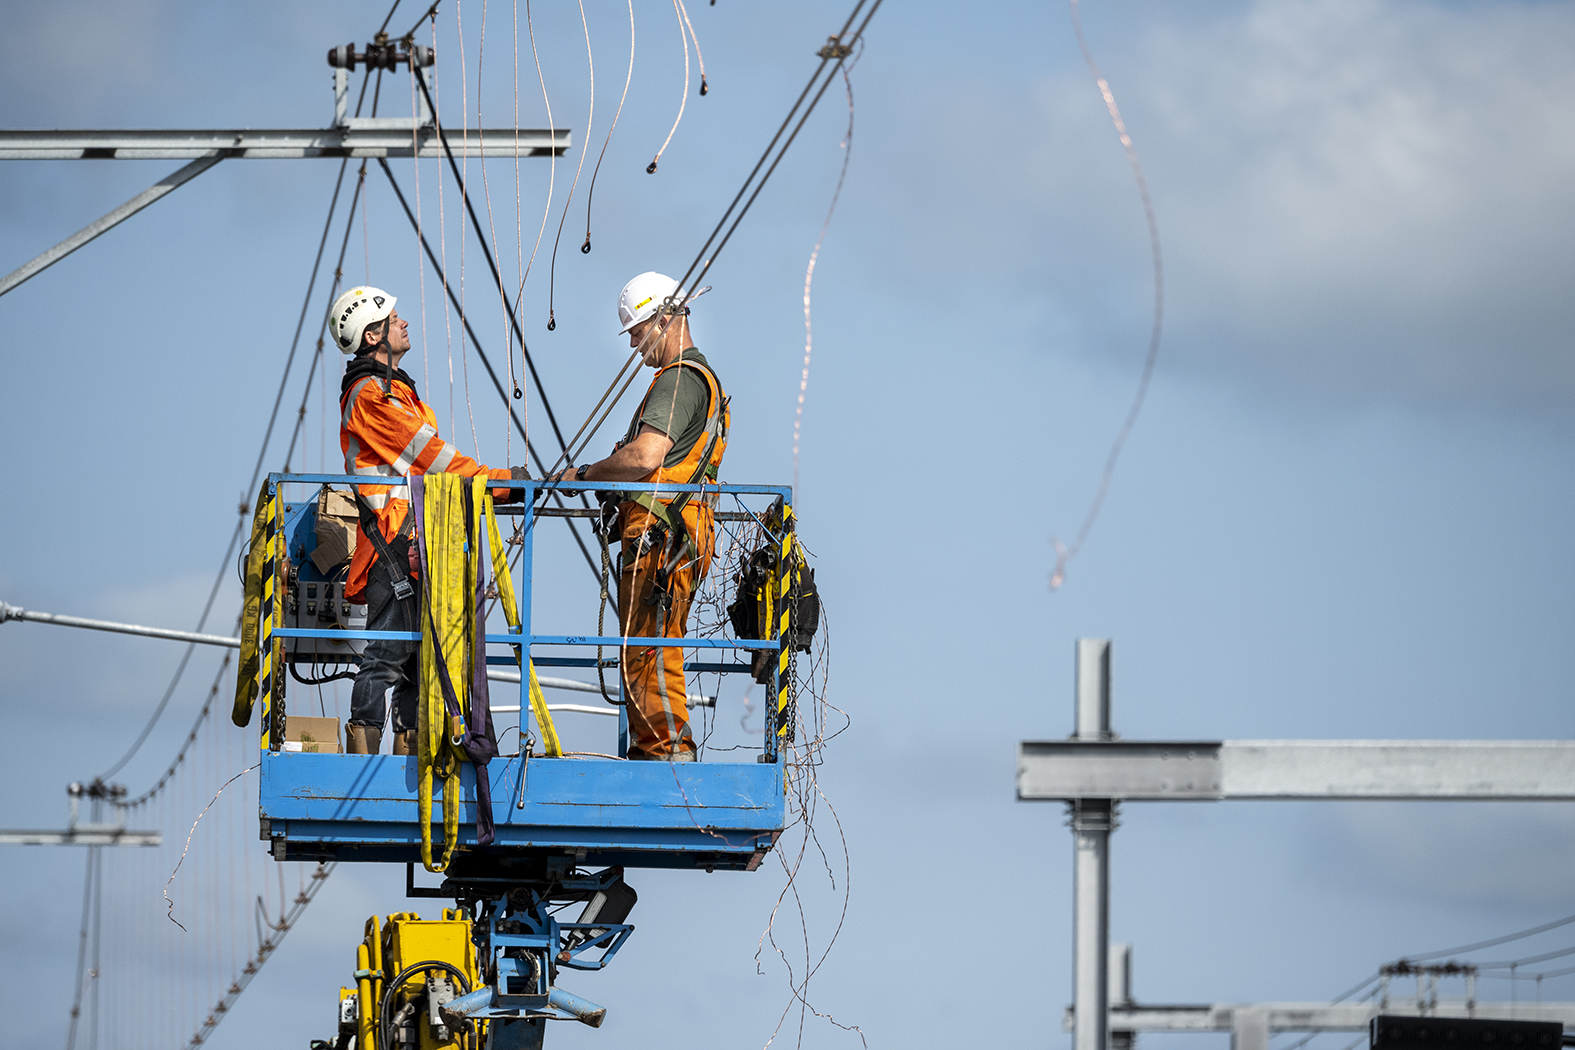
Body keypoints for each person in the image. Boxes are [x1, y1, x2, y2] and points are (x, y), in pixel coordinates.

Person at [330, 286, 528, 756]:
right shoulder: (369, 396)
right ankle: (364, 749)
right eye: (393, 318)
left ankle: (411, 748)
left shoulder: (396, 391)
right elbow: (429, 459)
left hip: (416, 536)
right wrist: (500, 484)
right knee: (388, 651)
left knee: (421, 654)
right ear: (373, 333)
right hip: (392, 537)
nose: (402, 323)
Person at [550, 273, 729, 761]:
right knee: (647, 645)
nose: (633, 345)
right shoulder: (690, 380)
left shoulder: (680, 379)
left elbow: (646, 455)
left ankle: (668, 750)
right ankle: (657, 747)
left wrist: (588, 474)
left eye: (637, 331)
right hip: (671, 533)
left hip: (661, 535)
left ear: (665, 318)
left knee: (650, 647)